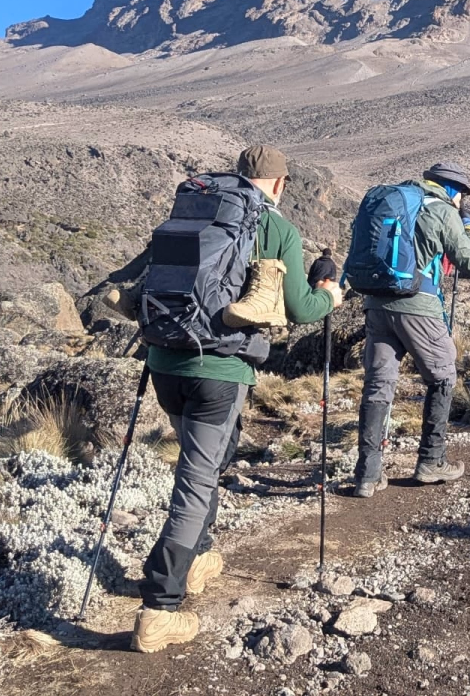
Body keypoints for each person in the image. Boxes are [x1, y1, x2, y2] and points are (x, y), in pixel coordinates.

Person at [132, 145, 343, 654]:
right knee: (196, 480)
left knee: (206, 461)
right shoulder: (275, 227)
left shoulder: (194, 212)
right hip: (220, 370)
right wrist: (331, 296)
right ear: (279, 183)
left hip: (164, 362)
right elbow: (300, 308)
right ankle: (159, 609)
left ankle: (197, 558)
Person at [346, 162, 470, 495]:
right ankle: (431, 460)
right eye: (461, 194)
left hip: (376, 304)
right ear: (452, 190)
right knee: (443, 375)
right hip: (417, 306)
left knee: (378, 384)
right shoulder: (442, 209)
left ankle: (367, 474)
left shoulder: (398, 202)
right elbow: (468, 260)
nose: (461, 200)